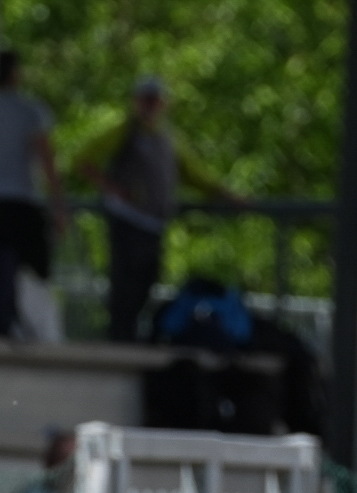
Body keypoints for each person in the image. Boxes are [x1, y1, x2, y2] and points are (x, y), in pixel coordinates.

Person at [73, 76, 240, 344]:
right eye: (146, 99)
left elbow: (193, 174)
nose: (150, 105)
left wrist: (225, 194)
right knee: (125, 280)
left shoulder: (169, 137)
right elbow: (83, 160)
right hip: (127, 218)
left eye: (155, 100)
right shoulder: (124, 132)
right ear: (136, 101)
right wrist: (112, 188)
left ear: (164, 103)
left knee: (149, 278)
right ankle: (119, 335)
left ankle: (130, 332)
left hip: (155, 221)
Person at [0, 51, 62, 339]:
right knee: (31, 270)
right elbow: (47, 160)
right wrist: (58, 204)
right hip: (20, 199)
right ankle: (29, 327)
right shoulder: (29, 110)